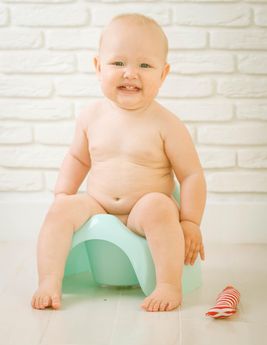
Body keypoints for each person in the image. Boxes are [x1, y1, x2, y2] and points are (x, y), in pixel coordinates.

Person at [31, 13, 206, 312]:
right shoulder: (90, 116)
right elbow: (77, 157)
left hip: (142, 211)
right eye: (118, 63)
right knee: (59, 210)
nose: (130, 73)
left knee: (160, 207)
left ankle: (168, 284)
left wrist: (190, 221)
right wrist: (64, 192)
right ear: (98, 67)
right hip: (98, 204)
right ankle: (49, 281)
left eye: (145, 65)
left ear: (163, 75)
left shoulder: (167, 124)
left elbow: (191, 175)